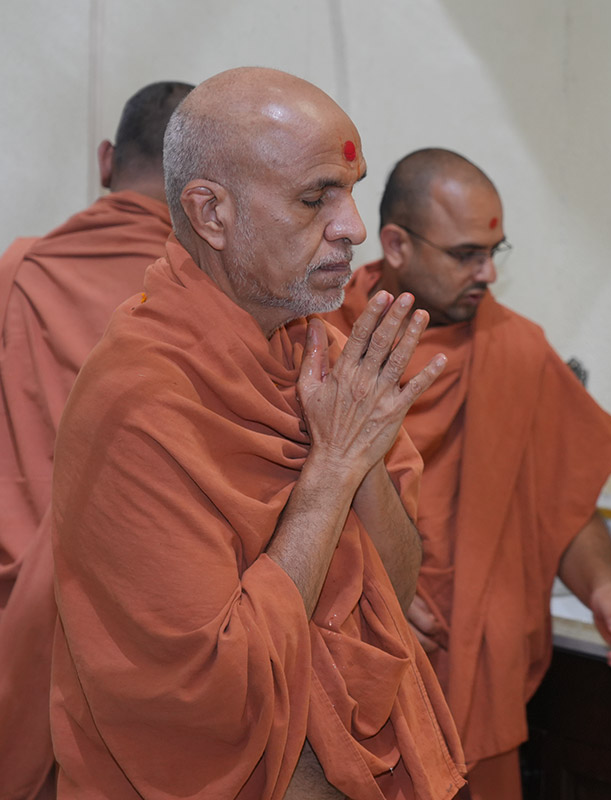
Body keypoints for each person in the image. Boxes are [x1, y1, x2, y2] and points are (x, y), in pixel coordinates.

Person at [48, 68, 466, 799]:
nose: (352, 226)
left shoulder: (323, 356)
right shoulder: (141, 399)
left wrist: (361, 458)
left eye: (352, 189)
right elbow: (213, 695)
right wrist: (332, 471)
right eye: (315, 198)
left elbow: (394, 593)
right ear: (211, 214)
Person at [324, 148, 611, 799]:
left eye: (494, 251)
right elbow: (277, 511)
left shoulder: (518, 351)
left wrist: (603, 589)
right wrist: (374, 584)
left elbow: (563, 503)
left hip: (482, 682)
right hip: (355, 677)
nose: (488, 273)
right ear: (396, 244)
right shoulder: (327, 340)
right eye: (466, 255)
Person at [0, 80, 192, 800]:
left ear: (107, 158)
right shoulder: (214, 296)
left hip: (16, 638)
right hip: (157, 642)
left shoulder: (19, 274)